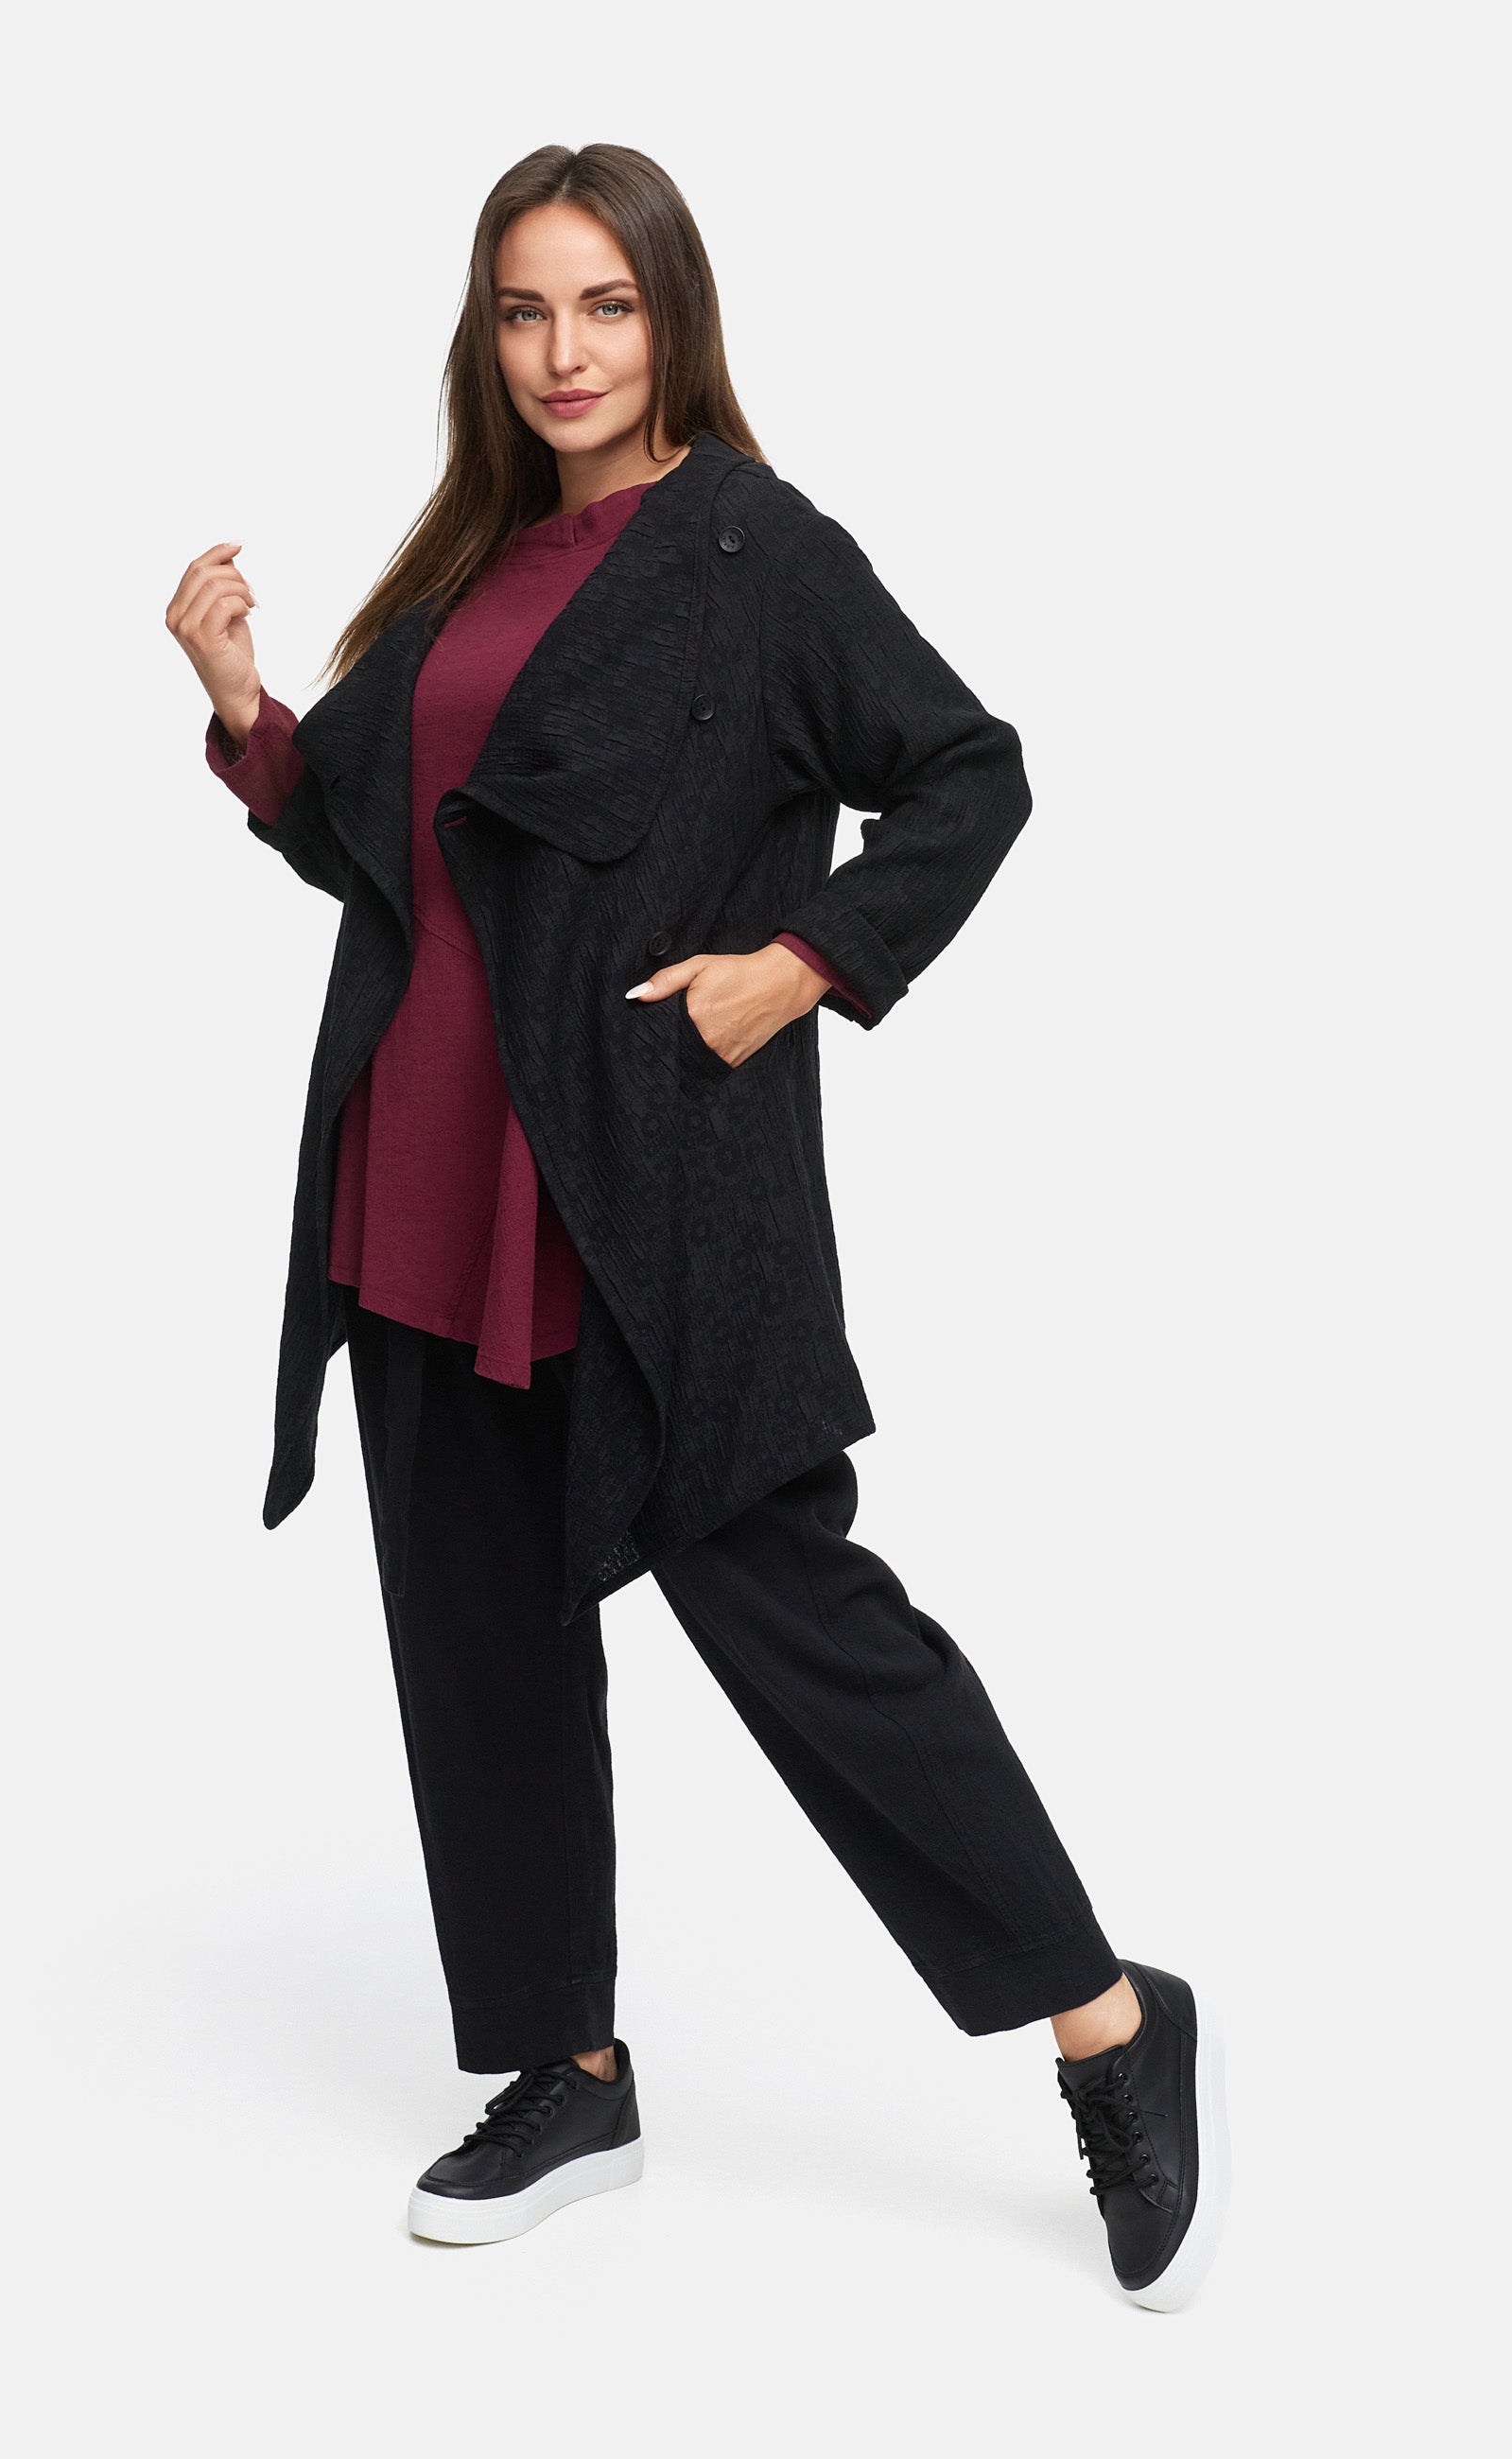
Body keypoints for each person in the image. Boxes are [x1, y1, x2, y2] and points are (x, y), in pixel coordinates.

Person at [165, 142, 1227, 2306]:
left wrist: (801, 961)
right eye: (524, 310)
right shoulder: (468, 572)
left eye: (605, 305)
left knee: (795, 1617)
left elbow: (969, 769)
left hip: (645, 1192)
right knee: (475, 1636)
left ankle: (1108, 2018)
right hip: (416, 1172)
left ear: (671, 316)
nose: (562, 351)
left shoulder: (753, 548)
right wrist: (248, 713)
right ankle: (563, 2069)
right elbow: (377, 843)